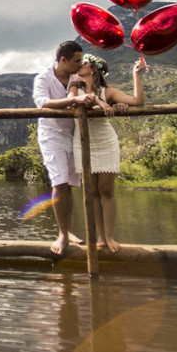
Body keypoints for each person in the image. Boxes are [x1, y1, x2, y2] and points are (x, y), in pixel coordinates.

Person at [68, 53, 146, 253]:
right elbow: (76, 101)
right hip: (83, 141)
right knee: (91, 192)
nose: (78, 66)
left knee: (107, 191)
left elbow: (138, 101)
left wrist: (135, 73)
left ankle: (109, 236)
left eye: (82, 63)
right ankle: (99, 236)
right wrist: (100, 103)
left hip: (105, 141)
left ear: (93, 68)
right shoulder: (74, 86)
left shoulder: (107, 91)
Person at [32, 41, 95, 255]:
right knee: (59, 182)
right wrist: (76, 99)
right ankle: (61, 233)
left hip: (73, 135)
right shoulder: (43, 78)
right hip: (51, 135)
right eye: (77, 61)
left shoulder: (78, 78)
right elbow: (43, 103)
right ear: (63, 60)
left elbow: (96, 94)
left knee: (68, 185)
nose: (80, 64)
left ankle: (68, 231)